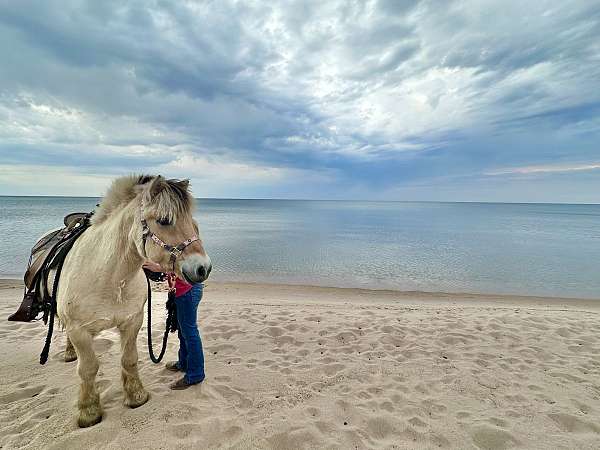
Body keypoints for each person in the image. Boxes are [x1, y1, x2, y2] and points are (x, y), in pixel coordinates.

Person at [142, 260, 206, 390]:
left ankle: (195, 374)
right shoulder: (176, 244)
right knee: (183, 332)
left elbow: (185, 265)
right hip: (184, 291)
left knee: (190, 333)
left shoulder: (186, 245)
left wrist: (159, 267)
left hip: (188, 291)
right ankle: (183, 363)